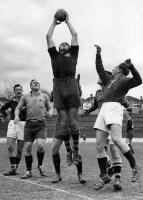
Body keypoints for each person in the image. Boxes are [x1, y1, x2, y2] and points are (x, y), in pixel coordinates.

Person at [93, 45, 142, 190]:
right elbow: (100, 69)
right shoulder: (109, 80)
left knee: (116, 139)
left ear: (120, 70)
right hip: (104, 110)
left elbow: (139, 80)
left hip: (115, 107)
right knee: (99, 145)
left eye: (115, 68)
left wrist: (131, 66)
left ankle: (135, 167)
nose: (112, 69)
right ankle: (104, 176)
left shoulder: (125, 80)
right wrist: (98, 54)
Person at [46, 13, 82, 181]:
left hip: (72, 84)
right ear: (59, 49)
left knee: (74, 123)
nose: (65, 44)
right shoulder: (54, 56)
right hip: (58, 85)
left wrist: (68, 22)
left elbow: (74, 35)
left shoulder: (73, 55)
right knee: (64, 122)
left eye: (66, 44)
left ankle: (75, 151)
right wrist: (54, 22)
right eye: (63, 44)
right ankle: (68, 152)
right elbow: (48, 36)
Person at [85, 75, 123, 191]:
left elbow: (121, 103)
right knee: (101, 149)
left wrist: (127, 116)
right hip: (103, 123)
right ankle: (108, 171)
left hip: (113, 121)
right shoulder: (97, 92)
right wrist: (88, 111)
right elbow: (96, 105)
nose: (99, 77)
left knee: (114, 149)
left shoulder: (113, 89)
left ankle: (117, 179)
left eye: (102, 76)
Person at [14, 79, 52, 179]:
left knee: (40, 146)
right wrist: (16, 116)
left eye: (37, 82)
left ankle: (40, 165)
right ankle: (28, 171)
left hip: (41, 125)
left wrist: (50, 112)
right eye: (33, 82)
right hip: (29, 126)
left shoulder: (44, 96)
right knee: (28, 147)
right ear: (30, 86)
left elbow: (50, 108)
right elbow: (18, 108)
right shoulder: (25, 97)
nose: (36, 83)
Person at [0, 84, 26, 176]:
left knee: (19, 149)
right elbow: (2, 109)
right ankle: (13, 169)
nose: (18, 91)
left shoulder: (26, 101)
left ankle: (15, 168)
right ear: (14, 91)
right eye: (16, 90)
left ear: (22, 90)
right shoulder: (11, 102)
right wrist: (6, 116)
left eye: (20, 89)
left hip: (23, 125)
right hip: (12, 124)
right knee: (10, 147)